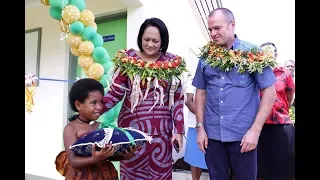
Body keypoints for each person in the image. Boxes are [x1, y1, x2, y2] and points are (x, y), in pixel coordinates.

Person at [192, 8, 276, 180]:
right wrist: (200, 128)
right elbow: (200, 93)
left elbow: (269, 91)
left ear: (232, 25)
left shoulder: (252, 53)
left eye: (217, 28)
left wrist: (256, 130)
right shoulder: (205, 58)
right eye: (210, 30)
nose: (213, 33)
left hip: (244, 137)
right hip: (213, 137)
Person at [102, 17, 185, 180]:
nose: (150, 44)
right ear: (140, 38)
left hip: (161, 133)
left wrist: (179, 130)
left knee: (159, 174)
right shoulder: (129, 59)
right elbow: (115, 93)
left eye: (155, 40)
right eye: (146, 39)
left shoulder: (171, 62)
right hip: (132, 134)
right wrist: (93, 109)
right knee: (132, 173)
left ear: (163, 41)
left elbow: (177, 99)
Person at [55, 78, 136, 180]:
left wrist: (124, 156)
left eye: (101, 102)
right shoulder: (71, 128)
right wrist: (95, 158)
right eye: (94, 102)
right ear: (78, 105)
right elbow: (73, 161)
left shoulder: (101, 126)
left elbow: (107, 155)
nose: (99, 107)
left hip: (106, 175)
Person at [258, 42, 295, 180]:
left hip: (281, 124)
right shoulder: (253, 72)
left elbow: (289, 97)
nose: (266, 55)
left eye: (269, 52)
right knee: (261, 167)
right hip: (260, 126)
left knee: (282, 166)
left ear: (275, 55)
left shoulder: (285, 73)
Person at [184, 76, 208, 180]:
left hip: (216, 127)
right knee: (195, 160)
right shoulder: (194, 77)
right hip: (195, 125)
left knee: (217, 163)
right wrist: (203, 118)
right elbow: (189, 102)